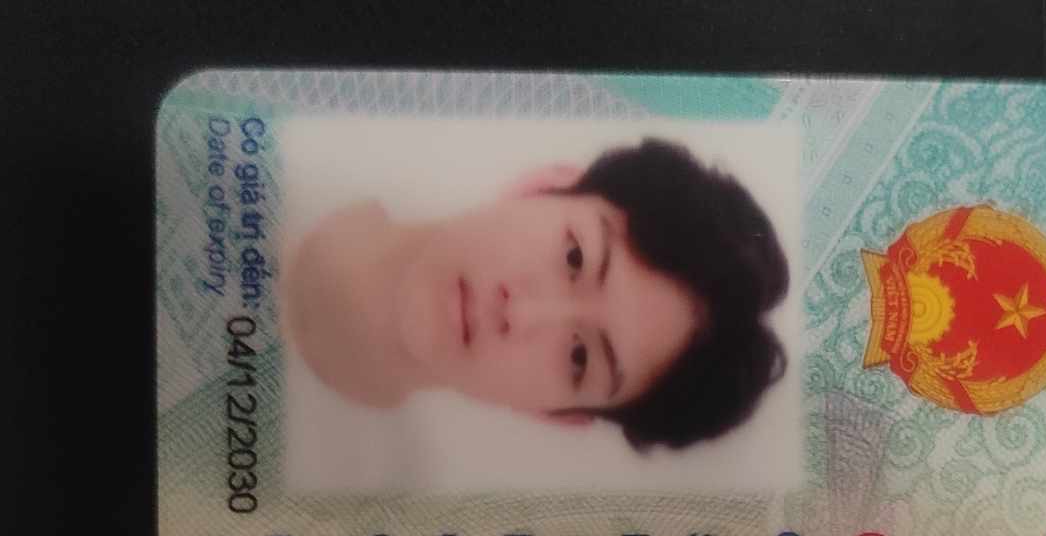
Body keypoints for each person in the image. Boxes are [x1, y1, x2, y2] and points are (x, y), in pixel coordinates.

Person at [283, 138, 789, 451]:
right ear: (542, 187)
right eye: (574, 257)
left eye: (579, 357)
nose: (522, 313)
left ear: (555, 414)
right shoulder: (293, 169)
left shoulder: (361, 498)